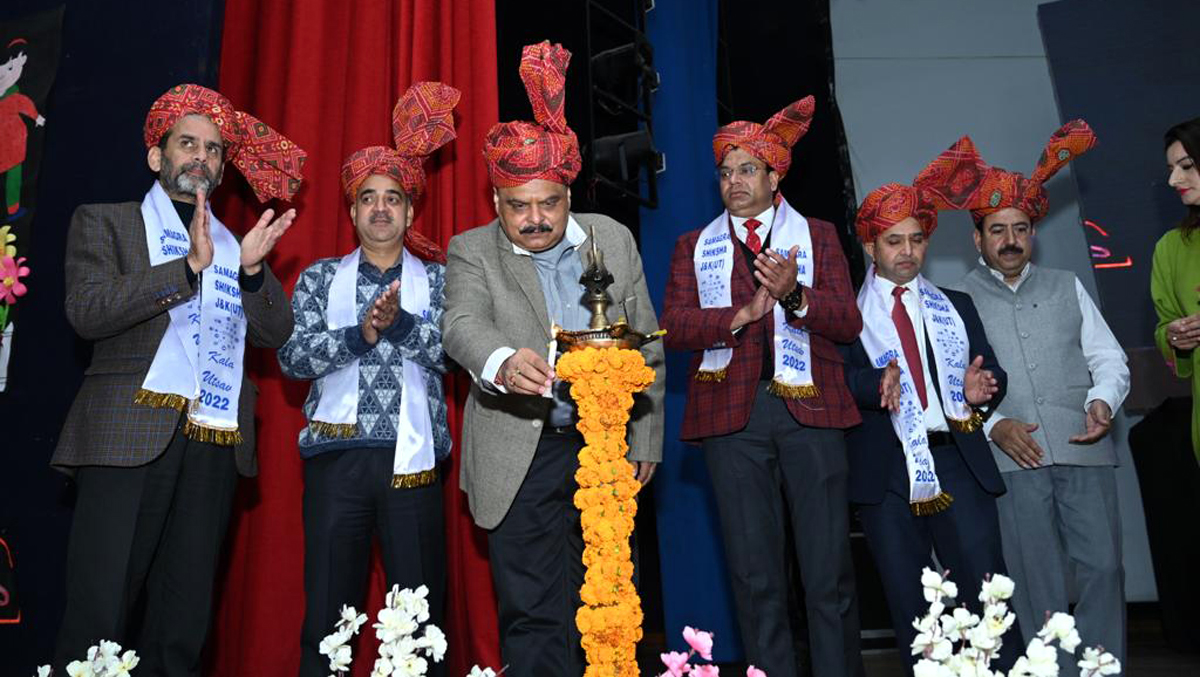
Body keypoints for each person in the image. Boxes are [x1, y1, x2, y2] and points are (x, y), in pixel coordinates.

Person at [53, 83, 305, 674]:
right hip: (126, 441)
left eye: (214, 150)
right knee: (100, 618)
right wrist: (187, 268)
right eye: (187, 144)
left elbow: (276, 332)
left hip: (211, 444)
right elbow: (88, 311)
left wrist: (247, 271)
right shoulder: (105, 223)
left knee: (183, 626)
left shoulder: (232, 242)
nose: (202, 157)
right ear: (155, 155)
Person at [441, 41, 664, 676]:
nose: (536, 219)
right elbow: (459, 323)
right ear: (495, 204)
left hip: (606, 448)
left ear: (570, 193)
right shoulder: (471, 250)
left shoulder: (612, 240)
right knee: (533, 614)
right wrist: (505, 360)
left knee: (610, 602)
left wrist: (646, 436)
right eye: (519, 207)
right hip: (521, 450)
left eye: (550, 203)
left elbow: (648, 340)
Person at [660, 97, 864, 677]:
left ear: (776, 177)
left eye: (747, 169)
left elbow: (847, 323)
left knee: (828, 575)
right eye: (725, 172)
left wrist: (796, 298)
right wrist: (743, 312)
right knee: (755, 577)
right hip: (734, 421)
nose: (734, 181)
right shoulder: (694, 245)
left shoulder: (818, 235)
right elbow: (674, 326)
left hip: (813, 414)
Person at [277, 82, 459, 677]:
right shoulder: (317, 277)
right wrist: (362, 335)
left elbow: (457, 356)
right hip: (337, 463)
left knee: (420, 616)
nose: (381, 208)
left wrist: (402, 325)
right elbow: (292, 359)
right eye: (368, 199)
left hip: (415, 462)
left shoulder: (439, 282)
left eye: (393, 198)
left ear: (411, 211)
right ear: (352, 210)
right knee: (330, 614)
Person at [840, 138, 1020, 674]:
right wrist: (872, 386)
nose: (908, 251)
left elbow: (990, 374)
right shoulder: (846, 316)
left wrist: (983, 387)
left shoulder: (956, 306)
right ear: (870, 246)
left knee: (988, 602)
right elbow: (832, 385)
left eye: (917, 239)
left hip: (956, 463)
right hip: (886, 472)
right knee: (916, 609)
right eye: (893, 240)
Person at [957, 122, 1130, 673]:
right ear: (978, 238)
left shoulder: (1066, 285)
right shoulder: (955, 302)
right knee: (1035, 579)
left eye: (1021, 228)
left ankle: (1102, 668)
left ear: (1033, 232)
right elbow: (950, 385)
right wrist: (994, 426)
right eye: (998, 230)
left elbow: (1109, 358)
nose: (1011, 239)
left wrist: (1104, 400)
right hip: (1013, 458)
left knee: (1103, 568)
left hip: (1084, 446)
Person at [1156, 116, 1200, 463]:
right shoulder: (1171, 248)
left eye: (1186, 166)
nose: (1174, 179)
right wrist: (1174, 337)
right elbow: (1164, 326)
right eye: (1171, 168)